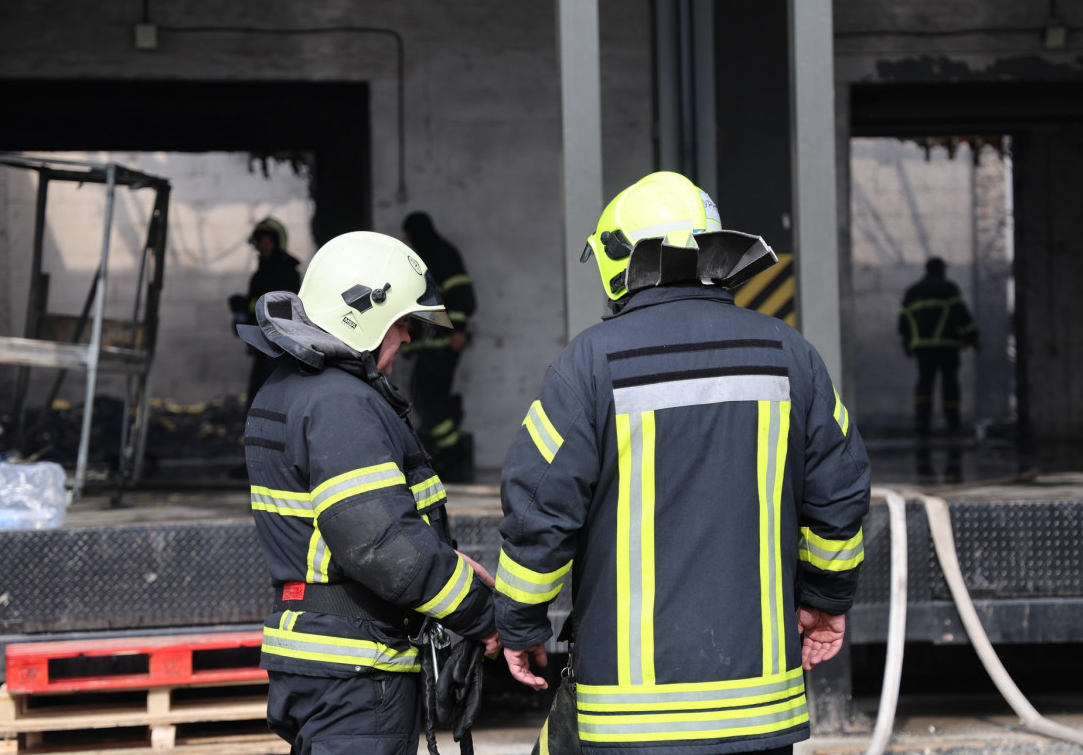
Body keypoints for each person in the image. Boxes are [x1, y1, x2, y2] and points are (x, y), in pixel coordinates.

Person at [492, 172, 873, 755]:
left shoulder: (590, 365)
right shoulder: (790, 354)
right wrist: (824, 601)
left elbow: (539, 510)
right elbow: (839, 498)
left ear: (620, 259)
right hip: (758, 706)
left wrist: (520, 624)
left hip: (630, 715)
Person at [238, 231, 498, 755]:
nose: (405, 337)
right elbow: (379, 545)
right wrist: (480, 613)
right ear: (363, 314)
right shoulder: (340, 402)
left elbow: (350, 529)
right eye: (401, 321)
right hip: (357, 675)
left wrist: (446, 561)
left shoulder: (289, 389)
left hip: (322, 665)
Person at [400, 211, 477, 481]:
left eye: (408, 233)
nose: (406, 239)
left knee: (426, 398)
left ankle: (452, 451)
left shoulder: (440, 254)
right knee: (426, 398)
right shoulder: (423, 257)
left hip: (443, 343)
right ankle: (445, 449)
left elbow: (461, 294)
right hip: (433, 344)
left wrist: (458, 329)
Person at [227, 216, 302, 412]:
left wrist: (248, 305)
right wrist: (241, 315)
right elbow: (256, 304)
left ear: (278, 243)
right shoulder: (259, 274)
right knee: (256, 401)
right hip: (263, 349)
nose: (264, 246)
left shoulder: (288, 272)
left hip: (281, 350)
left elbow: (284, 308)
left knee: (270, 403)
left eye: (269, 241)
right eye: (261, 242)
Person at [897, 256, 979, 435]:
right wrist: (973, 337)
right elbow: (961, 314)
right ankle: (952, 422)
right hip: (947, 346)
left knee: (925, 382)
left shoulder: (913, 291)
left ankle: (922, 422)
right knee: (950, 383)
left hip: (923, 348)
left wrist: (906, 343)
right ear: (941, 269)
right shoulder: (948, 288)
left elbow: (904, 321)